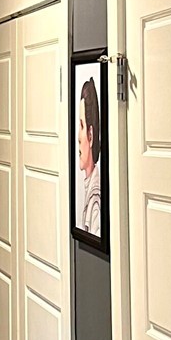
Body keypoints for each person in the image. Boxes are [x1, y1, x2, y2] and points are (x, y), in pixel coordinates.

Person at [77, 74, 102, 236]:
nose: (78, 137)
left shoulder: (96, 200)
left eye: (81, 126)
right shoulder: (91, 189)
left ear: (91, 135)